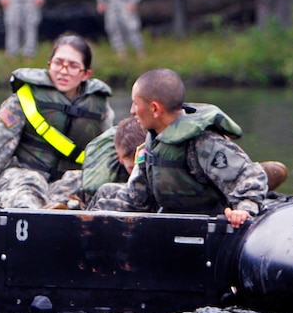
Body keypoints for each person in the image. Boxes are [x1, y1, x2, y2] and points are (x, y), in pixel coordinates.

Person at [88, 68, 267, 228]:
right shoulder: (153, 141)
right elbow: (137, 200)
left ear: (155, 109)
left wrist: (244, 210)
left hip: (205, 228)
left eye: (136, 103)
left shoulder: (203, 142)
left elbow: (252, 176)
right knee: (105, 194)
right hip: (171, 223)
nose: (132, 110)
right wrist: (93, 215)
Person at [0, 33, 114, 209]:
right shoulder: (24, 99)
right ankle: (33, 211)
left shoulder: (99, 108)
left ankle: (61, 207)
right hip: (25, 175)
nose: (63, 71)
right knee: (29, 186)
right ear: (49, 65)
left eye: (73, 66)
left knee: (88, 184)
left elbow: (107, 155)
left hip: (68, 182)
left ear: (85, 74)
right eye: (58, 63)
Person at [47, 116, 146, 208]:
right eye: (132, 168)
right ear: (119, 157)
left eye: (142, 166)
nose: (137, 173)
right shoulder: (94, 179)